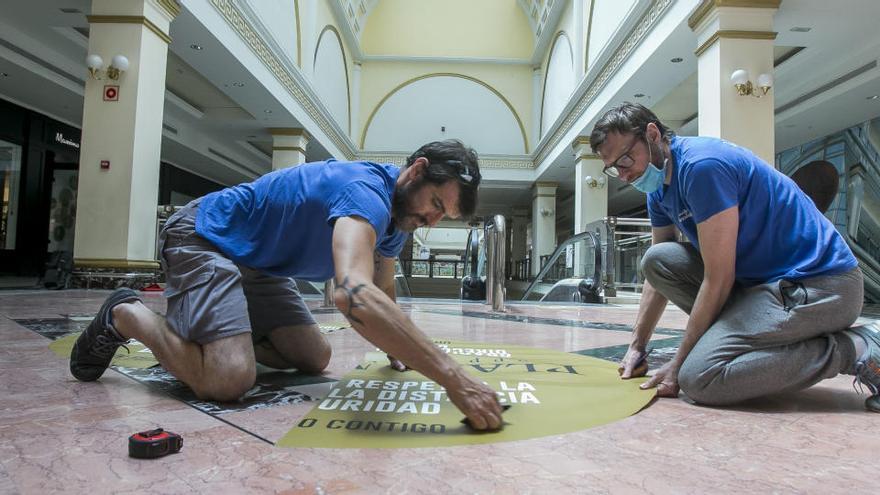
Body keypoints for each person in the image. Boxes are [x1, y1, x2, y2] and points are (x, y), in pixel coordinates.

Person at [70, 139, 504, 430]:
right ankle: (126, 314)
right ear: (416, 172)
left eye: (441, 216)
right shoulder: (365, 192)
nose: (431, 220)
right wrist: (453, 378)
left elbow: (382, 286)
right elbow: (352, 293)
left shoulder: (400, 218)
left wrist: (395, 349)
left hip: (261, 266)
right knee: (227, 380)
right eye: (434, 204)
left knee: (314, 356)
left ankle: (215, 329)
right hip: (208, 235)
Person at [590, 102, 879, 412]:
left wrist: (678, 363)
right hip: (764, 287)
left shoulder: (703, 167)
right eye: (613, 168)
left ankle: (858, 348)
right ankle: (764, 335)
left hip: (822, 285)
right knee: (657, 259)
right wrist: (637, 347)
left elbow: (719, 278)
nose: (623, 174)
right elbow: (656, 274)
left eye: (624, 159)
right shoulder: (658, 188)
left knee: (700, 377)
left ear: (651, 134)